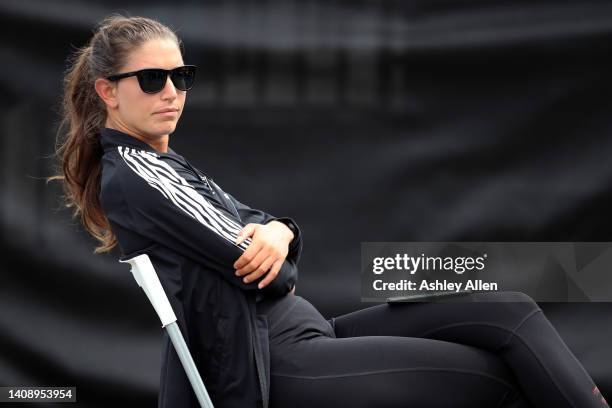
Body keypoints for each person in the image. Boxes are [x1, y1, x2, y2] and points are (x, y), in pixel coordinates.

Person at [49, 13, 609, 408]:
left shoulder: (169, 165)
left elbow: (272, 230)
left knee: (508, 310)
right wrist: (274, 240)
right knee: (500, 378)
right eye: (152, 80)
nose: (172, 91)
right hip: (274, 362)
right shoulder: (140, 176)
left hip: (312, 332)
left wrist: (280, 230)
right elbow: (272, 272)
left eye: (182, 77)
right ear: (108, 91)